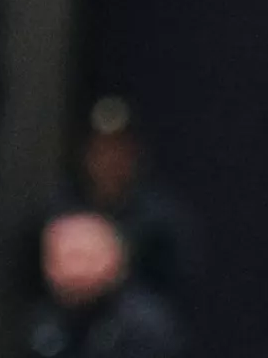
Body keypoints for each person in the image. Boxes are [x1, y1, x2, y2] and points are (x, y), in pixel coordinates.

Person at [34, 98, 202, 318]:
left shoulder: (160, 218)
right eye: (101, 149)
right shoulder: (59, 209)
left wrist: (116, 272)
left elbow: (178, 282)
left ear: (134, 153)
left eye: (118, 149)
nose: (109, 160)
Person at [25, 213, 185, 358]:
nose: (75, 270)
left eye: (84, 257)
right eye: (63, 258)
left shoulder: (145, 325)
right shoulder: (43, 324)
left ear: (116, 260)